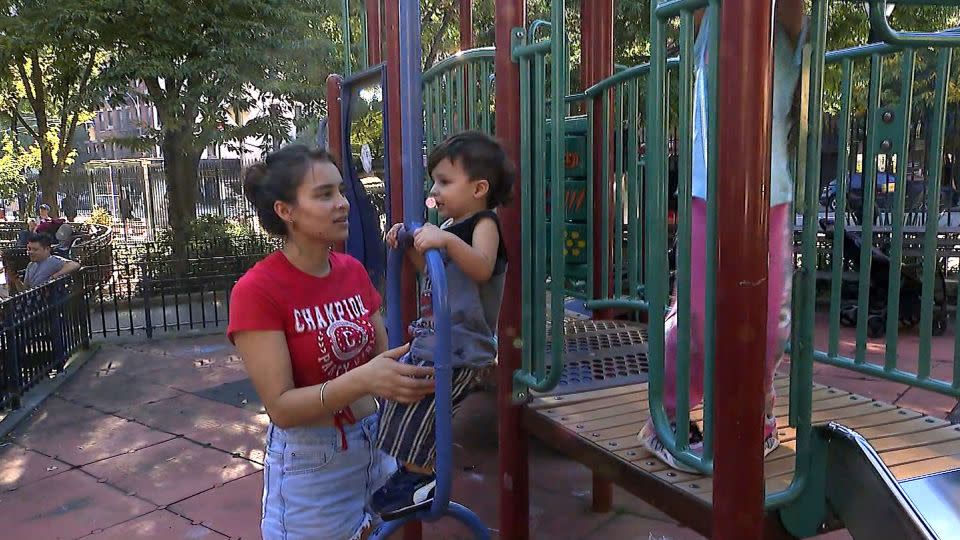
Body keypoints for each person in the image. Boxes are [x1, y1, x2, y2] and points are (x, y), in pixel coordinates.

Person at [227, 145, 436, 540]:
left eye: (340, 191)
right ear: (285, 211)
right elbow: (282, 408)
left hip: (376, 442)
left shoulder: (352, 272)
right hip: (313, 461)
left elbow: (382, 357)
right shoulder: (257, 290)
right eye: (324, 195)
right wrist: (366, 380)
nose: (342, 203)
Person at [637, 1, 807, 473]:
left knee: (770, 318)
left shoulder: (785, 22)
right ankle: (666, 418)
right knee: (695, 315)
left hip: (768, 192)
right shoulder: (711, 15)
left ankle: (755, 416)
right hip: (707, 190)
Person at [370, 131, 514, 520]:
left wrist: (444, 242)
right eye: (434, 180)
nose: (435, 190)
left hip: (465, 345)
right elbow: (431, 276)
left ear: (480, 188)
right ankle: (411, 474)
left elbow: (482, 267)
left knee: (422, 406)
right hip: (438, 338)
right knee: (399, 395)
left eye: (445, 181)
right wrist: (410, 244)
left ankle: (425, 479)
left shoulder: (484, 223)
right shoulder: (450, 227)